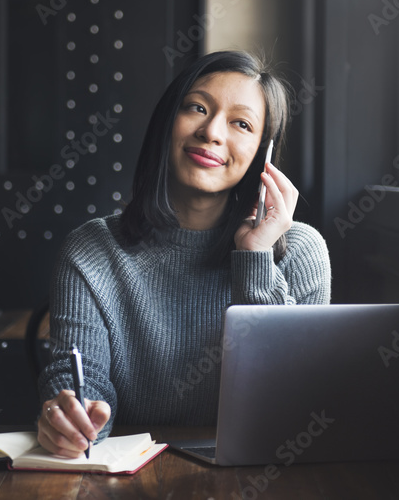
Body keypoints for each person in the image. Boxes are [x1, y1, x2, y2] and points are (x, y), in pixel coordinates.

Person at [36, 50, 332, 457]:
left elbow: (294, 405)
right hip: (131, 476)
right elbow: (81, 379)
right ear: (166, 122)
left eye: (241, 124)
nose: (211, 132)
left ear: (262, 155)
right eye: (197, 107)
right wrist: (75, 417)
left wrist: (256, 257)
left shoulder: (300, 251)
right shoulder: (91, 251)